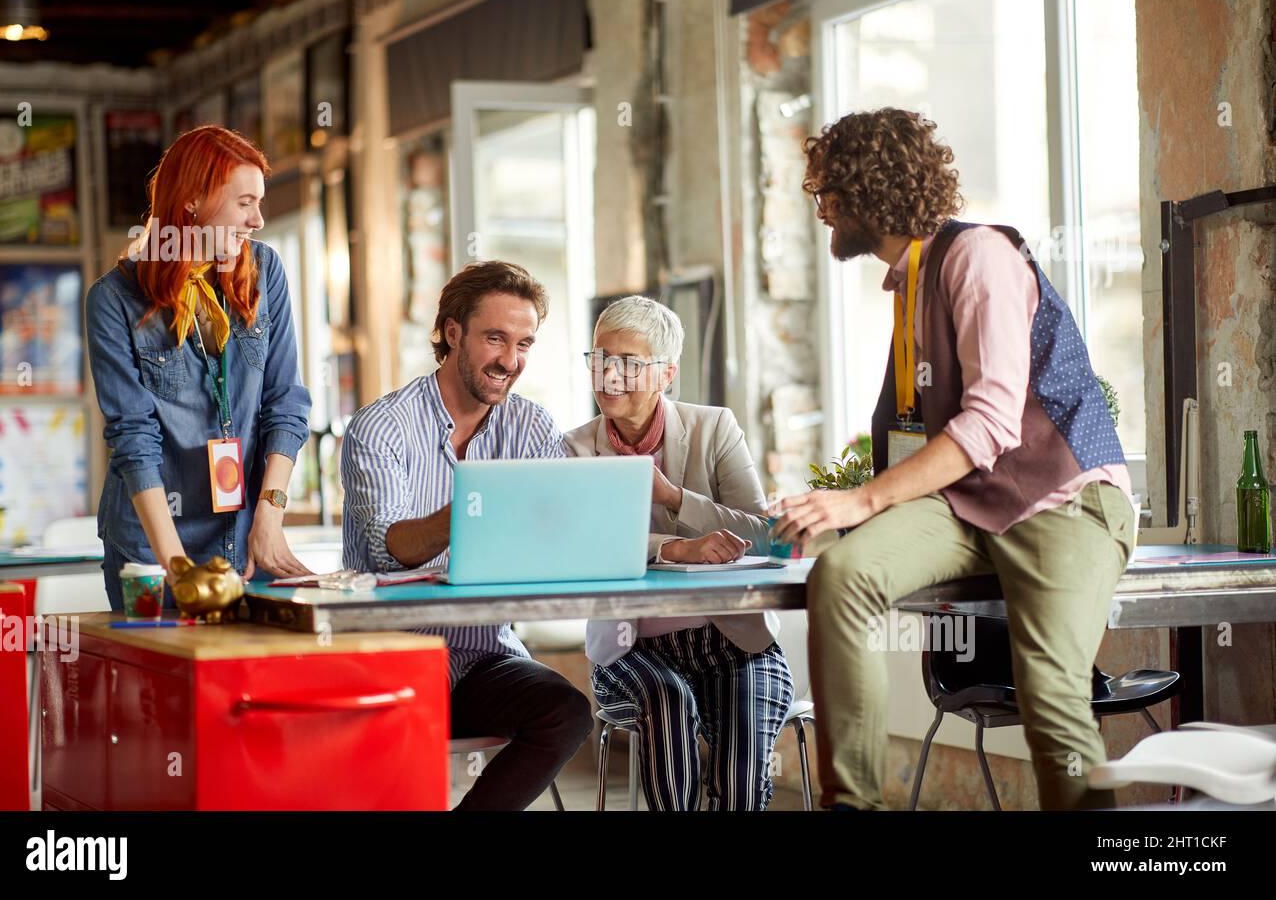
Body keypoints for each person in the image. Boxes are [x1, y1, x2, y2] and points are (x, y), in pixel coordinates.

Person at [775, 107, 1134, 810]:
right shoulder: (909, 283)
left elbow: (993, 420)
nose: (820, 210)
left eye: (827, 193)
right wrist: (841, 516)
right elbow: (928, 435)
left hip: (1061, 497)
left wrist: (862, 499)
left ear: (867, 192)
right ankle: (854, 803)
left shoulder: (979, 257)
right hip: (971, 501)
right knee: (843, 575)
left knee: (1051, 690)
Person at [341, 260, 593, 810]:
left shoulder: (531, 426)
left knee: (566, 712)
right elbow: (392, 548)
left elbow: (554, 537)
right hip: (392, 658)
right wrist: (480, 503)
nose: (510, 360)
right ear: (453, 332)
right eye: (495, 339)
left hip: (482, 657)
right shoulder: (381, 427)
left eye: (524, 343)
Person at [564, 295, 793, 810]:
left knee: (739, 780)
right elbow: (582, 547)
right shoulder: (575, 448)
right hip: (632, 649)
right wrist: (677, 546)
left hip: (733, 641)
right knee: (667, 704)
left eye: (628, 363)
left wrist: (674, 498)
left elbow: (764, 534)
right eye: (600, 358)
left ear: (666, 374)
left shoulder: (716, 428)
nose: (609, 376)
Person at [85, 125, 312, 610]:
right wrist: (178, 569)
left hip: (247, 536)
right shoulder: (113, 299)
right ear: (192, 201)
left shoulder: (264, 271)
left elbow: (285, 403)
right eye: (244, 203)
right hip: (151, 549)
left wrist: (269, 518)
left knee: (247, 680)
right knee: (159, 684)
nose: (258, 220)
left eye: (260, 203)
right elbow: (133, 436)